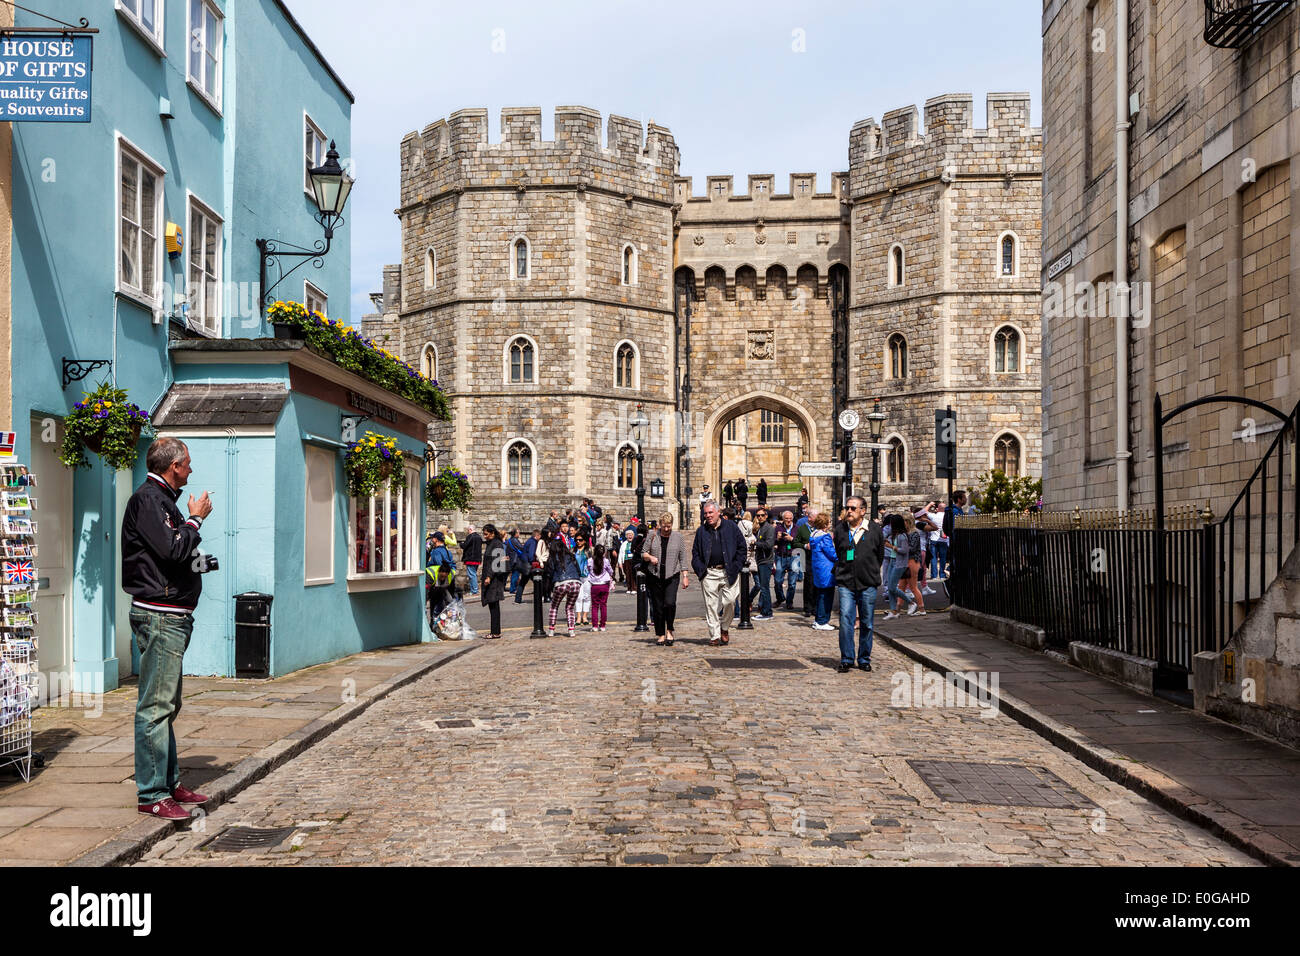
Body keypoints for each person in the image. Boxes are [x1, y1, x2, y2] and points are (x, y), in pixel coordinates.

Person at [122, 437, 214, 820]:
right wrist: (196, 518)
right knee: (155, 707)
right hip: (159, 616)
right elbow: (173, 548)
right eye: (187, 463)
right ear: (173, 466)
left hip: (171, 614)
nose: (191, 469)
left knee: (168, 704)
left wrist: (200, 563)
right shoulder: (149, 500)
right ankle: (152, 794)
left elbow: (172, 557)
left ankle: (169, 782)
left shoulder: (162, 501)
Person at [832, 496, 885, 672]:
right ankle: (847, 658)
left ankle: (864, 659)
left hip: (868, 582)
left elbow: (879, 555)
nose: (849, 511)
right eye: (847, 508)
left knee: (866, 622)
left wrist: (870, 570)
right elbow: (839, 553)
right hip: (846, 582)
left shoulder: (874, 529)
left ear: (863, 511)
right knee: (845, 620)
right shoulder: (840, 529)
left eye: (853, 508)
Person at [690, 500, 746, 646]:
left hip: (729, 571)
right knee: (711, 605)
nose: (708, 516)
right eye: (706, 513)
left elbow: (742, 548)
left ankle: (725, 628)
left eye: (711, 512)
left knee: (730, 601)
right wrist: (700, 570)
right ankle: (714, 635)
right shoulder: (701, 531)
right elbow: (695, 553)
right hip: (709, 572)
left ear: (718, 512)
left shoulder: (731, 527)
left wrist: (736, 566)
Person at [642, 511, 689, 646]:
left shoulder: (678, 537)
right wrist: (650, 557)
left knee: (669, 603)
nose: (666, 529)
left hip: (672, 575)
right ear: (660, 525)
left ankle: (670, 630)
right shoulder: (652, 535)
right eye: (664, 526)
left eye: (669, 526)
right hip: (655, 575)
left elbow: (683, 558)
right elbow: (643, 553)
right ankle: (661, 634)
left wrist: (685, 576)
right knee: (658, 606)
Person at [546, 535, 583, 637]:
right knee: (570, 607)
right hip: (575, 582)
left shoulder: (553, 558)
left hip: (561, 582)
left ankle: (551, 630)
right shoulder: (571, 555)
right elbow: (578, 570)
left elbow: (550, 572)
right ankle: (571, 630)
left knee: (554, 606)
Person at [809, 512, 838, 630]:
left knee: (821, 594)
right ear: (825, 524)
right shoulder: (825, 537)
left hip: (818, 568)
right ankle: (822, 621)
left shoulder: (813, 535)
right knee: (826, 596)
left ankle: (818, 620)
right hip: (827, 569)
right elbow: (831, 553)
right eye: (829, 522)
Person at [479, 524, 507, 639]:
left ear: (492, 533)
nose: (485, 536)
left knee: (494, 605)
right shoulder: (491, 543)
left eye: (486, 534)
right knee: (493, 605)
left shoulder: (497, 544)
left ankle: (495, 632)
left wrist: (489, 577)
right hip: (491, 578)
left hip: (494, 580)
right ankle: (495, 631)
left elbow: (496, 563)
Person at [749, 507, 775, 620]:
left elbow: (769, 544)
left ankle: (767, 612)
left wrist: (756, 543)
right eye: (758, 515)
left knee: (764, 588)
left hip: (766, 561)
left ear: (766, 516)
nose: (760, 517)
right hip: (760, 560)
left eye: (762, 515)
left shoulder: (769, 528)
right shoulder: (761, 528)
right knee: (763, 587)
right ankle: (765, 611)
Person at [425, 531, 457, 619]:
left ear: (436, 539)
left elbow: (438, 565)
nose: (432, 540)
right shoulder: (447, 551)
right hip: (447, 578)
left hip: (435, 580)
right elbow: (452, 565)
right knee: (447, 601)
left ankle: (434, 620)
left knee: (435, 603)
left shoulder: (436, 551)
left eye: (432, 538)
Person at [773, 510, 798, 610]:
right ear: (783, 519)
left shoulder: (797, 528)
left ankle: (789, 602)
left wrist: (792, 539)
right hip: (781, 556)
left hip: (794, 556)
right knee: (777, 581)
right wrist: (777, 539)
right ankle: (780, 598)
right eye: (786, 518)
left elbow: (800, 543)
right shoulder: (778, 528)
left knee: (792, 583)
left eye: (790, 518)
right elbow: (773, 542)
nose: (788, 520)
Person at [588, 543, 613, 632]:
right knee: (603, 605)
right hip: (604, 585)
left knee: (594, 606)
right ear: (603, 553)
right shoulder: (606, 561)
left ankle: (595, 626)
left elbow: (588, 569)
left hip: (594, 585)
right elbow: (611, 571)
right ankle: (602, 626)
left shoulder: (590, 561)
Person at [516, 529, 540, 604]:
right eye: (539, 536)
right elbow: (531, 555)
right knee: (538, 582)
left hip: (525, 565)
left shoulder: (529, 540)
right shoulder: (533, 542)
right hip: (529, 565)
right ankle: (539, 598)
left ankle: (517, 599)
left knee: (522, 583)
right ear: (537, 535)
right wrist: (534, 561)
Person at [574, 536, 592, 627]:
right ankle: (578, 617)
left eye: (580, 540)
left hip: (587, 576)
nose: (578, 541)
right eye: (576, 540)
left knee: (587, 597)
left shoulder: (589, 550)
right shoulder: (573, 551)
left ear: (584, 541)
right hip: (577, 576)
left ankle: (584, 616)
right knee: (578, 597)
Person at [461, 524, 483, 596]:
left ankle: (474, 591)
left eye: (468, 530)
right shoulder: (479, 537)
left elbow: (465, 546)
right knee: (473, 574)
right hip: (477, 559)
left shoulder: (470, 537)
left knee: (471, 575)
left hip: (470, 558)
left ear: (470, 529)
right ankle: (473, 590)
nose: (468, 531)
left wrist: (461, 544)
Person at [619, 528, 638, 593]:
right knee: (627, 574)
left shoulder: (635, 542)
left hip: (633, 560)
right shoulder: (624, 543)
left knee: (633, 574)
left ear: (633, 536)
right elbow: (621, 553)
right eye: (628, 535)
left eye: (631, 535)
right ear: (626, 536)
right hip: (626, 560)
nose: (630, 536)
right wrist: (620, 562)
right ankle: (629, 588)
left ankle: (634, 588)